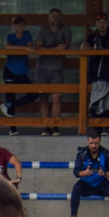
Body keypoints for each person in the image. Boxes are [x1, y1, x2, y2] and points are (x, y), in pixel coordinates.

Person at [35, 8, 72, 136]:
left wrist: (55, 48)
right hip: (42, 68)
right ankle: (46, 126)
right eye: (53, 16)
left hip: (57, 68)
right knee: (43, 97)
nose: (55, 18)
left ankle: (55, 126)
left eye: (58, 16)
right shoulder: (43, 29)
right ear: (49, 17)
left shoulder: (65, 29)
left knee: (57, 97)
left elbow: (66, 46)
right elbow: (37, 46)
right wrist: (54, 49)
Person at [0, 15, 40, 134]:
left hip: (22, 71)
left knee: (34, 93)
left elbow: (30, 47)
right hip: (10, 70)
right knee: (10, 95)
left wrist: (25, 48)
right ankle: (12, 128)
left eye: (22, 24)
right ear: (13, 26)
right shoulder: (10, 36)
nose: (20, 27)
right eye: (17, 24)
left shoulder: (27, 34)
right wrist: (23, 48)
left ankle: (8, 104)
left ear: (24, 25)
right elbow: (7, 47)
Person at [69, 131, 109, 217]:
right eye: (91, 143)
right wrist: (84, 173)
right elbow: (76, 172)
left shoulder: (106, 154)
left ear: (99, 142)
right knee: (76, 188)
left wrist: (105, 174)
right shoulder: (82, 154)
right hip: (86, 183)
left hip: (101, 183)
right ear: (87, 141)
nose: (93, 146)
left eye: (96, 143)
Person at [84, 13, 109, 119]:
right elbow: (83, 48)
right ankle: (95, 125)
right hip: (93, 72)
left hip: (107, 72)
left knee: (105, 99)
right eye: (99, 22)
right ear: (96, 24)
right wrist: (95, 50)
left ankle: (105, 125)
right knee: (93, 98)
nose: (102, 25)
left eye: (104, 22)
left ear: (108, 23)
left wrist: (105, 51)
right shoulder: (92, 36)